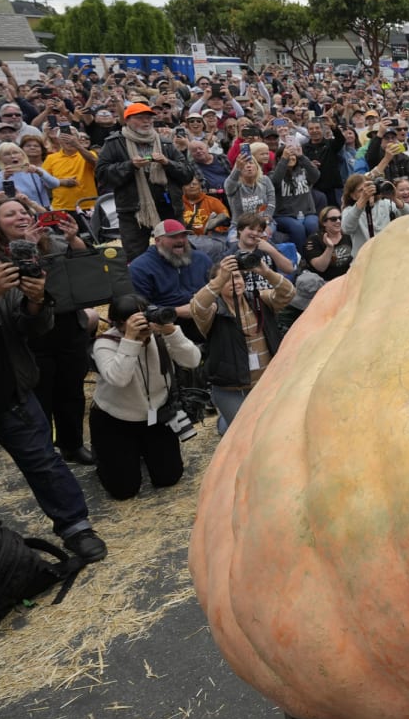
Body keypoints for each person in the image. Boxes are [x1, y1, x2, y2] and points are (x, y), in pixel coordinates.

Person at [0, 218, 107, 560]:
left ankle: (76, 527)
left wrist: (36, 303)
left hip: (11, 394)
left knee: (44, 463)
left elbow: (28, 329)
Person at [0, 192, 98, 464]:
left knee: (71, 392)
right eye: (10, 214)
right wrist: (27, 250)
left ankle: (72, 445)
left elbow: (86, 267)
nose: (20, 216)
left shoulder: (52, 241)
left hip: (68, 328)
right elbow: (14, 292)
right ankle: (46, 453)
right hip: (31, 337)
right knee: (41, 398)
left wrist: (72, 238)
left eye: (23, 211)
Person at [88, 294, 202, 499]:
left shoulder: (158, 336)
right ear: (120, 322)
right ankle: (109, 457)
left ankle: (137, 454)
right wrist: (131, 340)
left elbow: (192, 360)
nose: (144, 326)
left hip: (155, 415)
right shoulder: (105, 344)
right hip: (115, 420)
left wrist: (172, 332)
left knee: (169, 478)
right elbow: (119, 379)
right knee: (124, 491)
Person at [189, 252, 294, 436]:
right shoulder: (214, 311)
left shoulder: (259, 299)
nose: (234, 282)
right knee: (243, 434)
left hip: (266, 383)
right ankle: (226, 423)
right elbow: (197, 306)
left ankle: (227, 422)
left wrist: (266, 272)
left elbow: (289, 293)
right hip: (232, 389)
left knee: (270, 429)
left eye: (237, 276)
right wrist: (220, 277)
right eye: (227, 280)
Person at [95, 103, 194, 259]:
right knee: (136, 256)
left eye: (149, 118)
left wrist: (167, 163)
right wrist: (130, 166)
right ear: (127, 120)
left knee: (177, 252)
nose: (146, 122)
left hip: (168, 207)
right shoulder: (114, 143)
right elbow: (102, 175)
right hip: (133, 211)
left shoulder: (165, 143)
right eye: (140, 118)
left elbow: (188, 174)